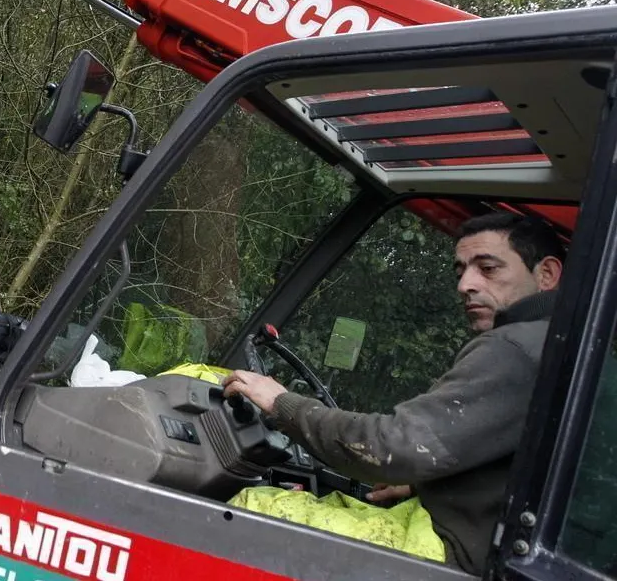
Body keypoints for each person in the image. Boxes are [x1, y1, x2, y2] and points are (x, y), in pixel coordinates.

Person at [223, 211, 566, 574]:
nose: (465, 284)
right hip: (484, 548)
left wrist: (282, 404)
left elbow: (394, 447)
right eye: (461, 271)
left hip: (452, 556)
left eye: (488, 268)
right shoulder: (560, 348)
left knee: (251, 510)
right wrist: (424, 487)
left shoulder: (515, 347)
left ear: (546, 273)